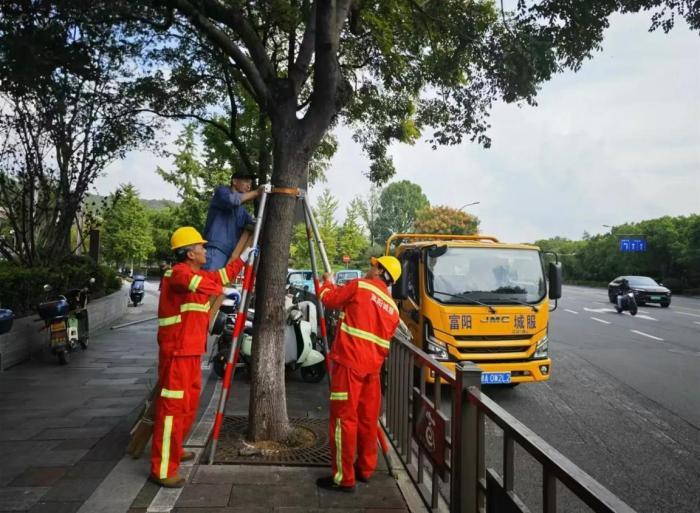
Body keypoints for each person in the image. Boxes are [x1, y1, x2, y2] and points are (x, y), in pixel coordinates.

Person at [150, 226, 257, 487]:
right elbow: (211, 284)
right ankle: (162, 468)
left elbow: (219, 278)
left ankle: (175, 451)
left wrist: (242, 260)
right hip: (177, 354)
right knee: (172, 411)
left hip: (190, 353)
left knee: (187, 406)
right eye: (200, 247)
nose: (205, 250)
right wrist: (224, 286)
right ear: (188, 254)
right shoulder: (179, 274)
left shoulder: (194, 274)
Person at [315, 256, 402, 493]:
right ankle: (365, 469)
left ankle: (344, 478)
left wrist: (325, 282)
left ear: (380, 271)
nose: (369, 267)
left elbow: (329, 299)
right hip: (372, 371)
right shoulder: (393, 309)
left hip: (349, 365)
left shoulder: (360, 286)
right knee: (367, 420)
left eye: (373, 265)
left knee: (344, 420)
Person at [202, 171, 262, 270]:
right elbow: (232, 200)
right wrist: (256, 193)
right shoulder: (222, 192)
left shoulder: (242, 212)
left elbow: (253, 225)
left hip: (230, 255)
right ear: (234, 181)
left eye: (250, 184)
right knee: (209, 282)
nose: (249, 186)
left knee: (217, 284)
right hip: (215, 251)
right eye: (246, 181)